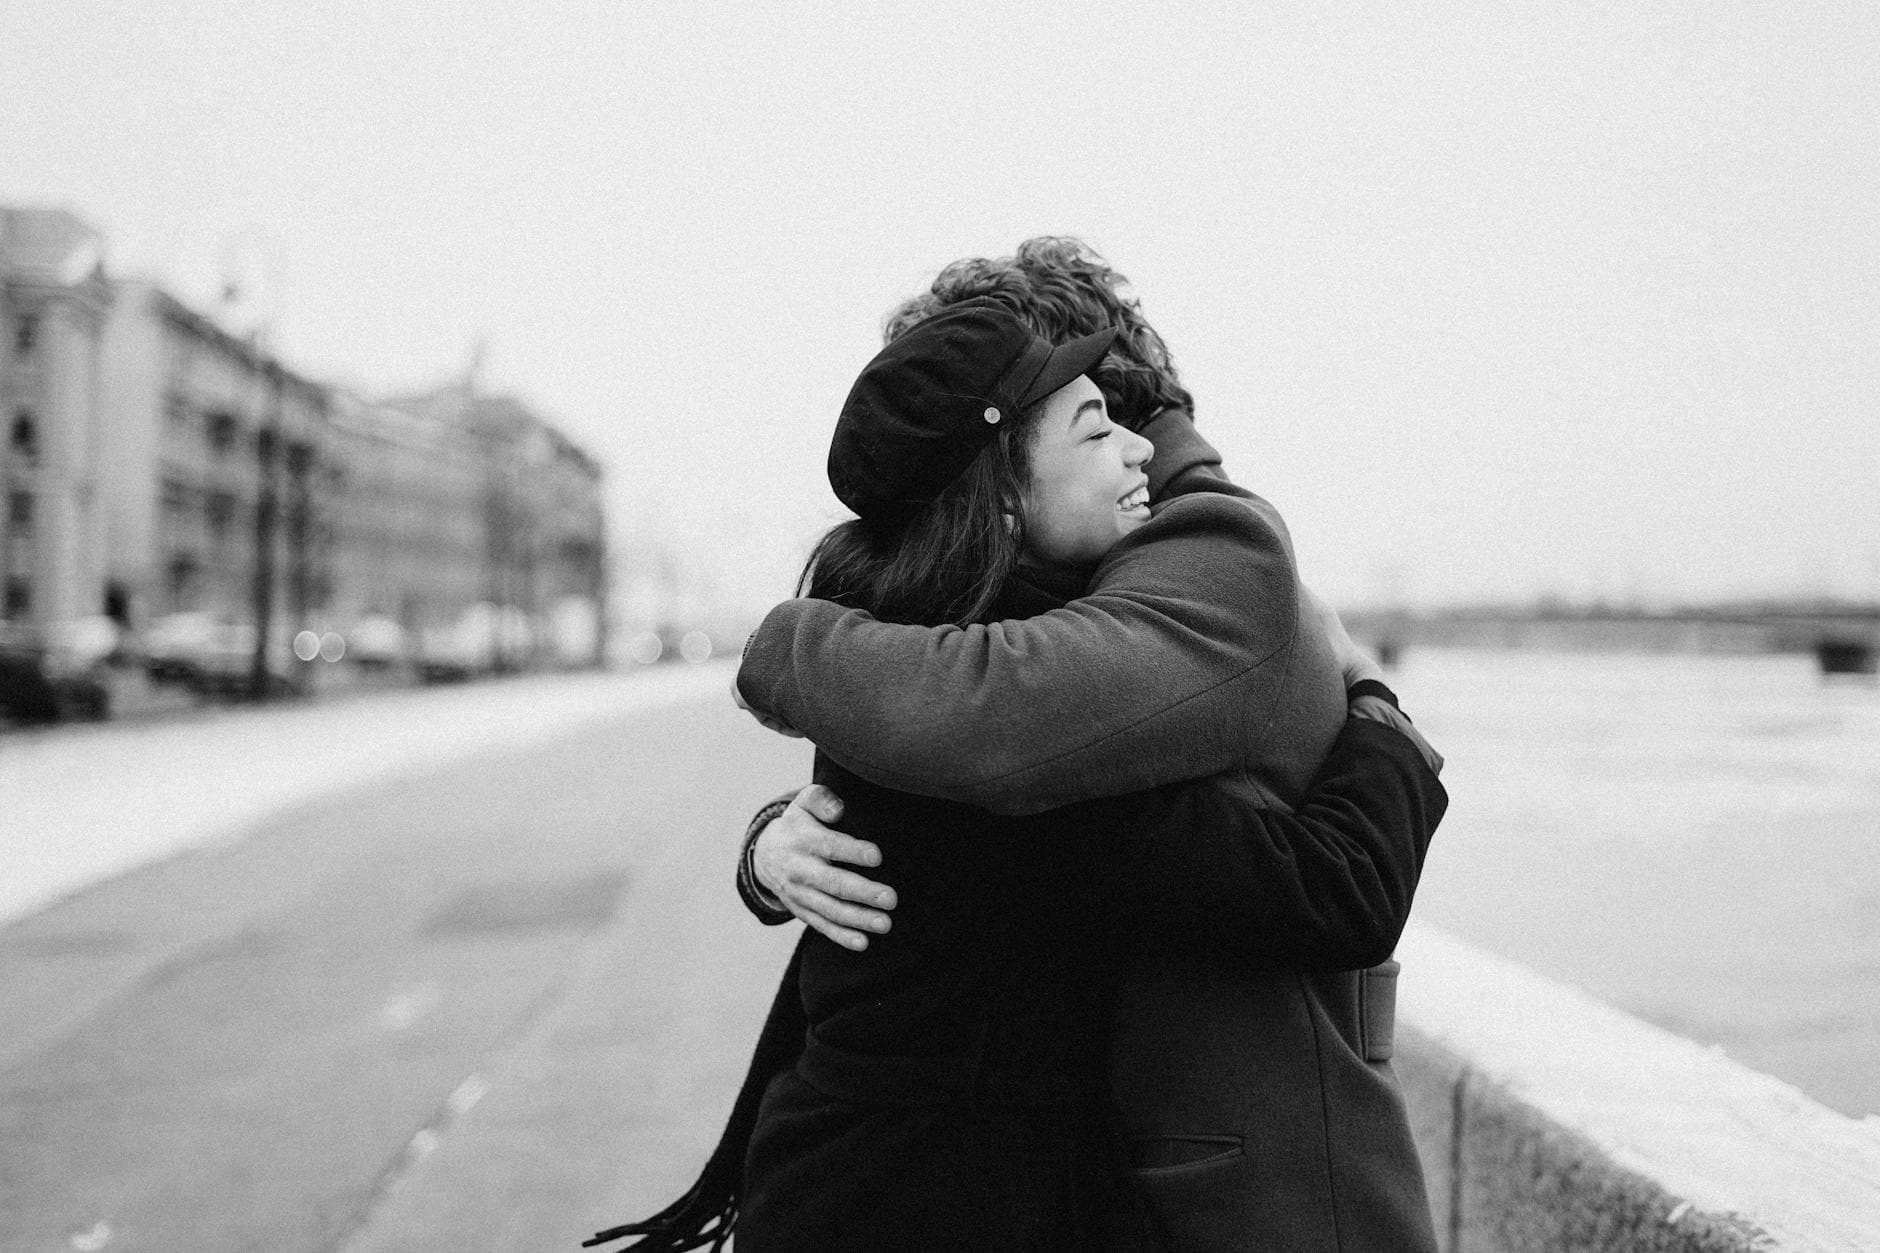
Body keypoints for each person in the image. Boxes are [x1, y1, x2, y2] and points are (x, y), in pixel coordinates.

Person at [586, 294, 1445, 1251]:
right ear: (1000, 493)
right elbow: (1330, 890)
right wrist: (1382, 713)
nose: (1137, 450)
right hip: (910, 1204)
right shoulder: (1021, 737)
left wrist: (768, 834)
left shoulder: (928, 657)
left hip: (868, 1184)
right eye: (1095, 429)